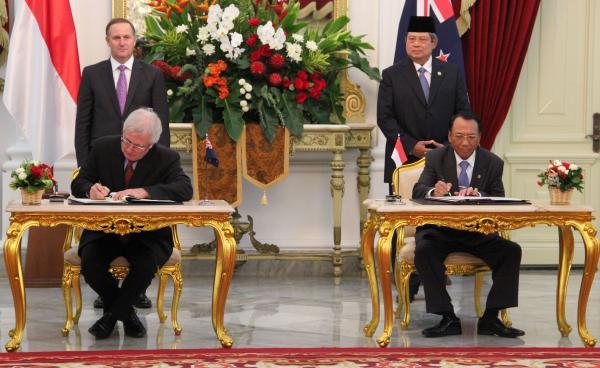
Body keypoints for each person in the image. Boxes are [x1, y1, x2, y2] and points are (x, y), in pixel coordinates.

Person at [71, 108, 193, 339]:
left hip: (148, 235)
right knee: (91, 265)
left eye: (137, 147)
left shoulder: (166, 158)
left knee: (145, 265)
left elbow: (185, 189)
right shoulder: (103, 147)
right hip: (103, 232)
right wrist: (90, 189)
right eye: (126, 141)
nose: (129, 149)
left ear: (151, 144)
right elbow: (80, 182)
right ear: (123, 133)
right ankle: (127, 315)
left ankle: (110, 317)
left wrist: (145, 191)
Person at [75, 17, 170, 309]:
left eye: (127, 37)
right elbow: (83, 125)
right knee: (104, 233)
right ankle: (107, 292)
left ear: (134, 40)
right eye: (116, 37)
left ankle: (136, 289)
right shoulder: (92, 74)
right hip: (103, 167)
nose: (122, 42)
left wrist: (157, 169)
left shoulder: (152, 75)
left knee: (140, 233)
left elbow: (161, 125)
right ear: (108, 41)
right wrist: (86, 173)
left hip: (142, 167)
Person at [377, 16, 471, 300]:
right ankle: (407, 280)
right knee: (405, 218)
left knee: (442, 216)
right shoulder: (392, 74)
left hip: (445, 155)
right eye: (411, 39)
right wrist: (411, 145)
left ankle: (437, 270)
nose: (415, 44)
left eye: (421, 39)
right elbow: (385, 118)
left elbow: (462, 112)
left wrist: (446, 146)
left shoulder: (451, 72)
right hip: (403, 156)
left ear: (433, 43)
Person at [412, 112, 525, 338]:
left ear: (480, 137)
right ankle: (447, 317)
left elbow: (498, 198)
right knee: (424, 250)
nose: (465, 142)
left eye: (471, 137)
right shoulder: (436, 158)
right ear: (449, 136)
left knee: (511, 251)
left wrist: (479, 194)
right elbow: (418, 190)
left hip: (477, 231)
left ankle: (491, 319)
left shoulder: (493, 162)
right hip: (440, 231)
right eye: (459, 136)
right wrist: (435, 191)